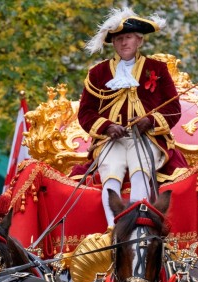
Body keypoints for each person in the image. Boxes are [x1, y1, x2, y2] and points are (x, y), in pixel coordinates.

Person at [78, 7, 182, 228]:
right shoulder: (97, 73)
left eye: (128, 38)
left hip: (147, 138)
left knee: (140, 166)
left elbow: (173, 108)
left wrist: (150, 122)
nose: (124, 43)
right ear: (113, 43)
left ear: (139, 41)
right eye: (119, 39)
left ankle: (137, 226)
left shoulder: (157, 69)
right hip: (111, 140)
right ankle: (113, 228)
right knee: (111, 169)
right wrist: (107, 127)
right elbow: (85, 113)